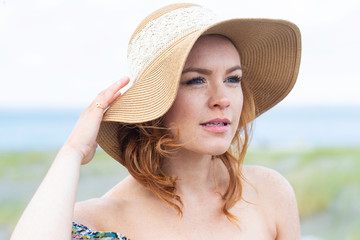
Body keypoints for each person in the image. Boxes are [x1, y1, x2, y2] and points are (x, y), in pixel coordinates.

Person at [11, 3, 301, 240]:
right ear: (155, 104)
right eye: (196, 80)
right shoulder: (98, 221)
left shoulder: (269, 193)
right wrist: (72, 151)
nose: (221, 98)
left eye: (232, 79)